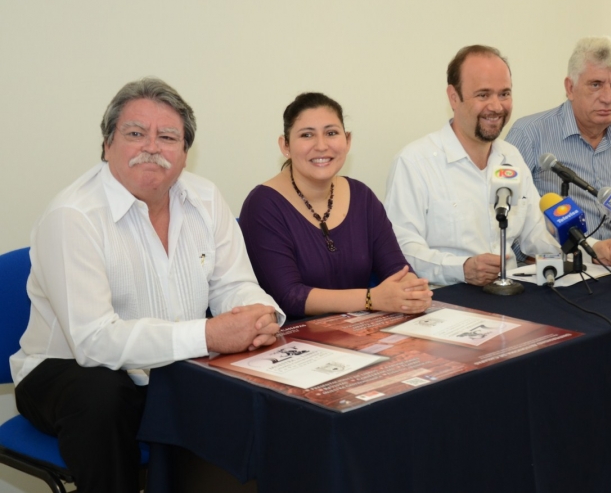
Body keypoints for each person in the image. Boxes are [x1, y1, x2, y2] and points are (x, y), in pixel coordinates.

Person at [9, 78, 285, 493]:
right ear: (107, 145)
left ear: (185, 153)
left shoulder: (205, 199)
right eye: (135, 134)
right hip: (66, 372)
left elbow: (234, 283)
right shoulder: (72, 216)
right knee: (103, 396)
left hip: (170, 368)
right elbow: (93, 342)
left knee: (253, 385)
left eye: (168, 137)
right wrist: (209, 334)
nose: (151, 147)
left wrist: (258, 315)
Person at [384, 45, 611, 287]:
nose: (496, 106)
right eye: (483, 95)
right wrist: (462, 268)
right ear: (453, 97)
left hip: (512, 295)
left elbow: (536, 233)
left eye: (504, 93)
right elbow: (403, 248)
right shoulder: (415, 162)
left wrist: (591, 248)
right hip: (447, 301)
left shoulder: (510, 157)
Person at [240, 92, 432, 319]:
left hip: (361, 333)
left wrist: (411, 289)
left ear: (347, 140)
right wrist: (372, 299)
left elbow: (396, 269)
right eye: (307, 135)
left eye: (331, 133)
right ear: (285, 146)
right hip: (296, 341)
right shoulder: (263, 205)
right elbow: (289, 296)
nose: (321, 146)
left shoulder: (363, 197)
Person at [507, 36, 611, 239]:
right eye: (596, 85)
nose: (608, 97)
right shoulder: (529, 134)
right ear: (570, 88)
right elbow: (507, 215)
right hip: (555, 264)